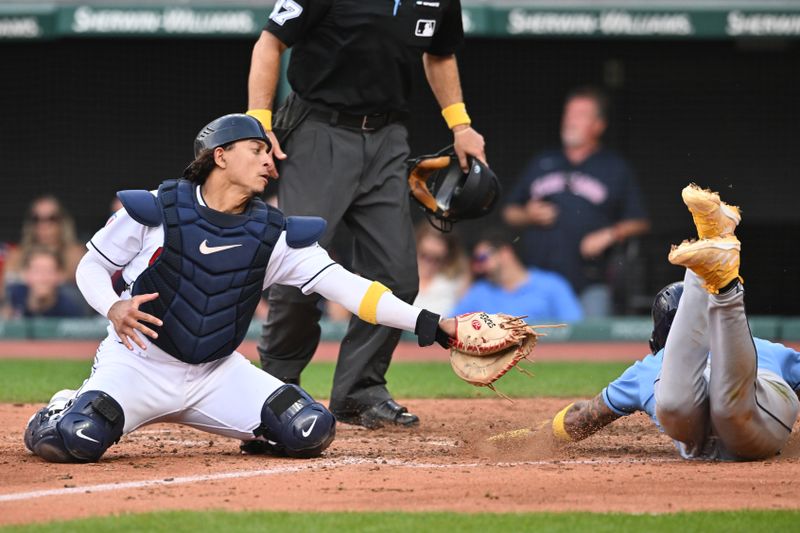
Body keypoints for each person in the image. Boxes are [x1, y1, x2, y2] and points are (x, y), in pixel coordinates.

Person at [23, 114, 458, 464]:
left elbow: (354, 291)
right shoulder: (157, 208)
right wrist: (113, 306)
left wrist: (436, 325)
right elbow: (91, 267)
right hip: (137, 367)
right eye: (257, 151)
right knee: (77, 439)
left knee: (311, 430)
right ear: (221, 155)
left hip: (216, 374)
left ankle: (261, 427)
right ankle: (64, 406)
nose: (271, 163)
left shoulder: (275, 234)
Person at [246, 0, 487, 428]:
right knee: (299, 267)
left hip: (387, 138)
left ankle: (359, 392)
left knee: (397, 276)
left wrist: (461, 125)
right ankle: (276, 389)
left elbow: (440, 53)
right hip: (317, 129)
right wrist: (258, 120)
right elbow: (270, 42)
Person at [550, 184, 799, 460]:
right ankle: (716, 273)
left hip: (744, 413)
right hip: (755, 413)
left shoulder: (647, 369)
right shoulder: (761, 348)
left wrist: (526, 436)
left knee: (698, 407)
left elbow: (580, 420)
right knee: (698, 408)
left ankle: (718, 277)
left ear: (654, 341)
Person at [502, 86, 650, 317]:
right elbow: (509, 212)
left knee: (593, 345)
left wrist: (609, 234)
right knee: (528, 345)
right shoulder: (543, 160)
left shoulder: (614, 166)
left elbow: (640, 222)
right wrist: (528, 215)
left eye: (580, 115)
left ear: (599, 125)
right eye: (568, 114)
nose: (570, 121)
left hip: (589, 282)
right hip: (537, 282)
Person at [452, 231, 583, 323]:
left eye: (482, 258)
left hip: (543, 357)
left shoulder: (552, 284)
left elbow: (575, 328)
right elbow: (451, 324)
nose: (478, 266)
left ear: (505, 253)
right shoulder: (479, 291)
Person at [5, 195, 86, 286]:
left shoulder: (75, 254)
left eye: (51, 218)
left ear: (62, 222)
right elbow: (5, 289)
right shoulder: (17, 255)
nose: (44, 225)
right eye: (36, 219)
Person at [2, 247, 85, 318]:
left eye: (49, 271)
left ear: (60, 275)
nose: (43, 278)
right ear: (25, 273)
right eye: (37, 271)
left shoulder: (71, 309)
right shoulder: (11, 297)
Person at [412, 223, 470, 317]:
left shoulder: (455, 285)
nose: (429, 264)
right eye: (424, 256)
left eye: (436, 259)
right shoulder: (399, 277)